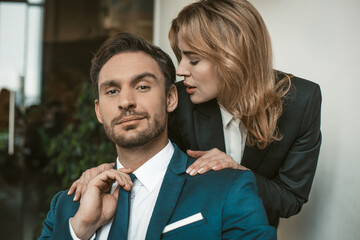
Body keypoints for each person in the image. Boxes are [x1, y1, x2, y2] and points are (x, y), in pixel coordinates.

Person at [69, 0, 322, 228]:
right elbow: (146, 157)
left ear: (232, 58)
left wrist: (239, 173)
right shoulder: (177, 99)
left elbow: (291, 199)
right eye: (180, 57)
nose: (180, 70)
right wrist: (106, 171)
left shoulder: (302, 101)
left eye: (194, 60)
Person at [39, 32, 276, 239]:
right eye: (112, 91)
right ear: (99, 111)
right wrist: (80, 230)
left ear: (171, 98)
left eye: (142, 86)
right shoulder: (67, 207)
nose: (125, 102)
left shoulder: (228, 188)